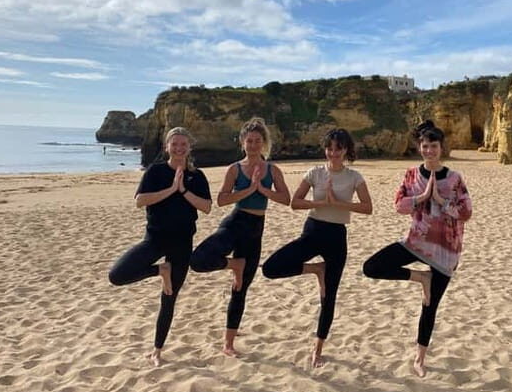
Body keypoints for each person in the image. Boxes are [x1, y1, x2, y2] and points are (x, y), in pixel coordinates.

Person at [362, 120, 472, 378]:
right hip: (417, 242)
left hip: (446, 249)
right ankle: (420, 277)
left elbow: (466, 212)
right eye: (425, 146)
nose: (429, 150)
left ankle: (420, 359)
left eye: (433, 146)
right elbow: (398, 205)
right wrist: (421, 199)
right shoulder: (412, 174)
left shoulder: (455, 178)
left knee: (429, 307)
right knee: (372, 267)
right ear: (419, 147)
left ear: (441, 148)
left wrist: (441, 201)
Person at [262, 128, 372, 368]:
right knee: (271, 268)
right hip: (313, 231)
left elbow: (367, 207)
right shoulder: (315, 172)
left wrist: (341, 204)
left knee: (328, 297)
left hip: (337, 236)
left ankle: (318, 350)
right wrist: (321, 202)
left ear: (346, 150)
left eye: (338, 149)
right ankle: (315, 270)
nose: (333, 153)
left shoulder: (355, 177)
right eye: (329, 148)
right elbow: (296, 202)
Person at [108, 127, 212, 367]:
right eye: (174, 144)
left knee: (169, 297)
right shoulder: (155, 171)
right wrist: (171, 190)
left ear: (189, 148)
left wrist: (183, 190)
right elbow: (140, 201)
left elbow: (206, 206)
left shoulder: (196, 176)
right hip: (154, 239)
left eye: (183, 145)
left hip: (182, 243)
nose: (179, 148)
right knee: (117, 275)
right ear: (167, 147)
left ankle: (157, 350)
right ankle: (160, 270)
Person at [189, 117, 290, 357]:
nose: (253, 145)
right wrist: (247, 190)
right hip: (235, 223)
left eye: (257, 141)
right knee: (198, 260)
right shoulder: (234, 169)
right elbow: (222, 199)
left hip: (256, 230)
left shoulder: (272, 169)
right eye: (249, 141)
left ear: (263, 142)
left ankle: (228, 343)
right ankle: (234, 264)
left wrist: (262, 189)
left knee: (241, 289)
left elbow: (286, 199)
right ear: (242, 143)